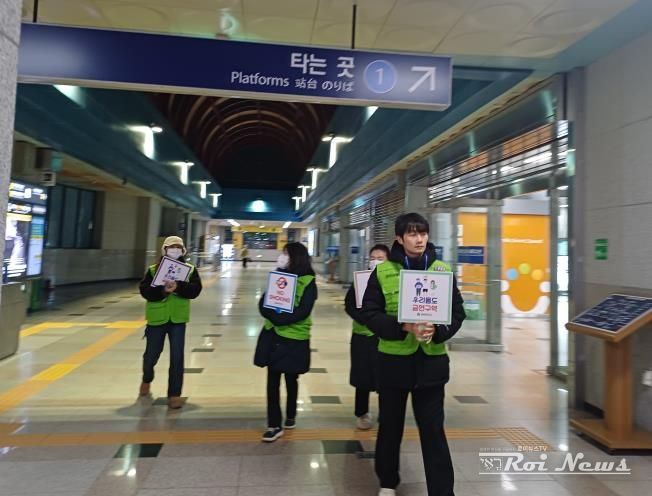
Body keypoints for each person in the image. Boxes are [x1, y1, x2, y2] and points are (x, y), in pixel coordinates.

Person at [361, 213, 466, 496]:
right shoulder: (383, 272)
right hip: (393, 363)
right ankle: (387, 482)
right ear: (399, 238)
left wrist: (438, 330)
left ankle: (442, 491)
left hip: (431, 365)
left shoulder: (442, 270)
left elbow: (457, 312)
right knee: (390, 427)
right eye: (412, 234)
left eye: (423, 233)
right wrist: (402, 326)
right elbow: (369, 313)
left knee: (433, 430)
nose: (419, 239)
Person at [255, 242, 317, 442]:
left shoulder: (308, 282)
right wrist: (272, 316)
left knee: (291, 378)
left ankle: (291, 415)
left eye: (285, 254)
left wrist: (280, 319)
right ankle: (274, 424)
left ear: (295, 257)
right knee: (272, 380)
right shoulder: (279, 277)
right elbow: (263, 302)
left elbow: (303, 311)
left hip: (294, 339)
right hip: (273, 335)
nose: (282, 257)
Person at [138, 236, 203, 409]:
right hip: (157, 319)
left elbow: (195, 290)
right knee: (151, 354)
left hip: (178, 319)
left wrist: (179, 287)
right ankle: (147, 378)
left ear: (183, 251)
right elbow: (145, 291)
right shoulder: (153, 270)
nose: (175, 250)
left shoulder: (190, 270)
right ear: (165, 250)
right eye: (171, 247)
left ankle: (174, 394)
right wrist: (163, 291)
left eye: (178, 247)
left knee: (177, 356)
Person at [344, 243, 390, 430]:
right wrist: (365, 319)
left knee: (385, 377)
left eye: (380, 258)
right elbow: (349, 305)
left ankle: (386, 413)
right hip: (361, 335)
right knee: (362, 375)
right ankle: (361, 412)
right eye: (373, 258)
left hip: (384, 337)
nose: (375, 261)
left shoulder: (393, 280)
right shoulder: (360, 280)